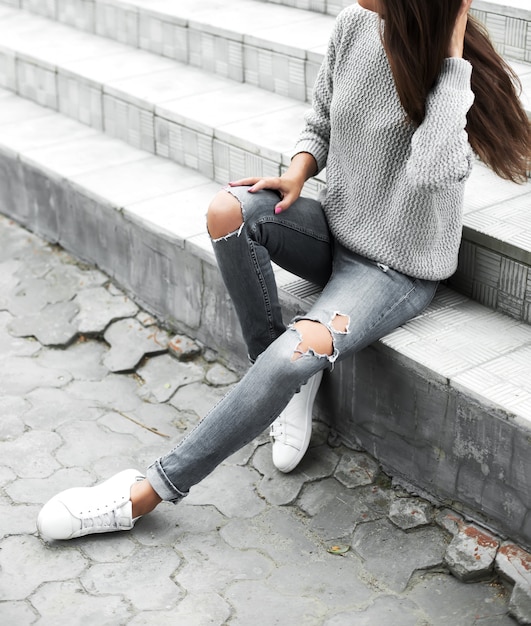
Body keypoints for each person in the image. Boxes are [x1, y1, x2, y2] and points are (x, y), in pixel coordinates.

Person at [37, 0, 530, 540]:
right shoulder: (354, 24)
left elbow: (431, 172)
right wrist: (297, 174)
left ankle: (143, 494)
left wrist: (452, 58)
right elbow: (319, 120)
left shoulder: (454, 74)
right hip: (336, 230)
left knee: (294, 353)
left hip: (394, 271)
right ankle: (288, 388)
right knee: (230, 210)